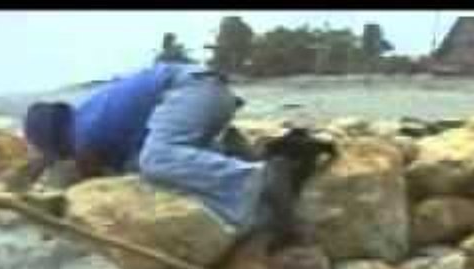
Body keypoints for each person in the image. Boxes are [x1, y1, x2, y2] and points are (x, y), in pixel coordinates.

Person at [23, 62, 301, 243]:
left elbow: (94, 184)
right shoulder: (90, 116)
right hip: (208, 93)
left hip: (192, 90)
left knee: (155, 160)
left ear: (56, 142)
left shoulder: (82, 133)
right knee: (149, 167)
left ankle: (261, 178)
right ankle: (235, 157)